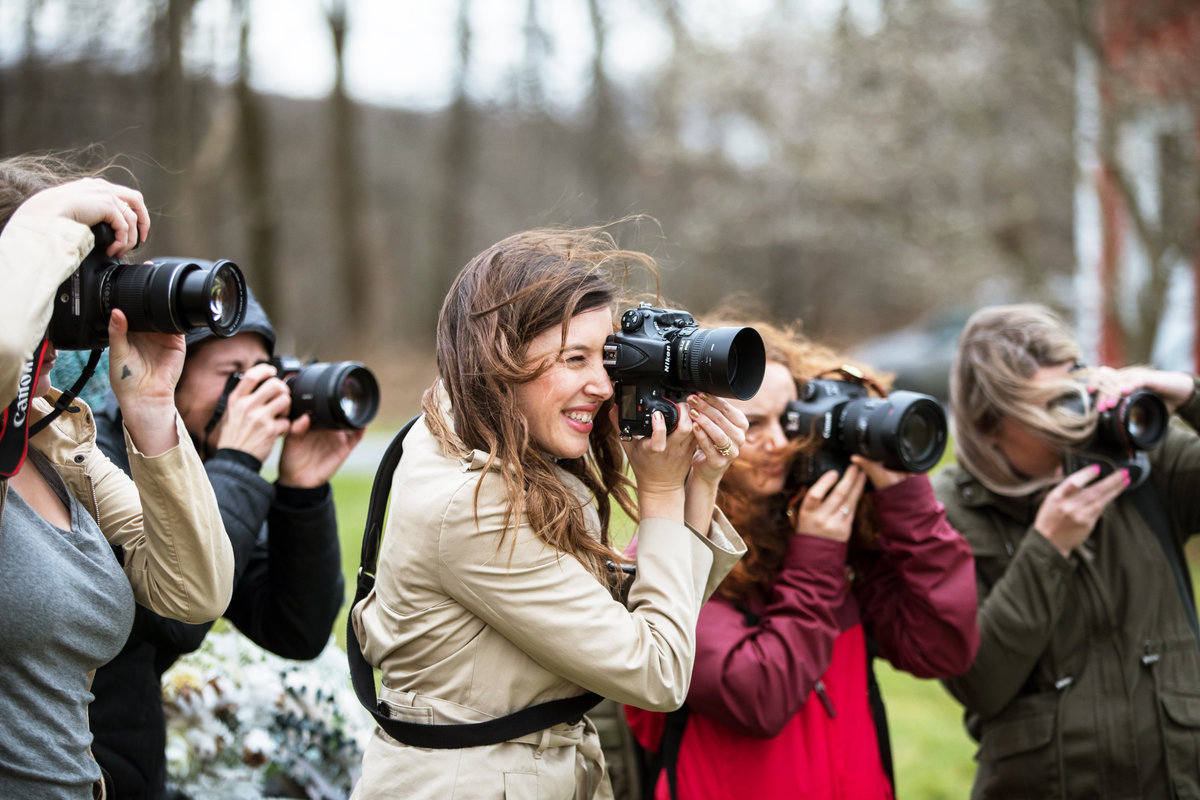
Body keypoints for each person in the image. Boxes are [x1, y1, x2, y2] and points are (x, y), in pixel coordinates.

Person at [349, 226, 748, 799]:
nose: (604, 386)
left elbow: (646, 621)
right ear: (498, 358)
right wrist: (658, 494)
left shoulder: (480, 437)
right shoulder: (475, 502)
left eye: (605, 356)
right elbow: (656, 671)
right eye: (574, 358)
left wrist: (697, 483)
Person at [626, 319, 980, 800]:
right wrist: (816, 557)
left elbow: (941, 648)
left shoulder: (815, 527)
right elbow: (757, 696)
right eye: (753, 424)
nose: (780, 443)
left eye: (789, 420)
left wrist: (904, 500)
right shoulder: (670, 549)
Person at [0, 159, 234, 800]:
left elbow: (195, 590)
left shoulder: (54, 442)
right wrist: (40, 224)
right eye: (54, 282)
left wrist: (154, 413)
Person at [87, 286, 360, 800]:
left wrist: (302, 493)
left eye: (264, 370)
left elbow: (294, 630)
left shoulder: (209, 472)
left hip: (128, 767)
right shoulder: (95, 462)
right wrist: (237, 464)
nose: (256, 389)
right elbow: (179, 618)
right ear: (168, 370)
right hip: (74, 766)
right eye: (232, 373)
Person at [933, 303, 1200, 799]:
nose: (1072, 422)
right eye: (1049, 405)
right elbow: (979, 682)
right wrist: (1048, 548)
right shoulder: (947, 512)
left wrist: (1185, 392)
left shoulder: (1138, 458)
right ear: (989, 423)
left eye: (1074, 394)